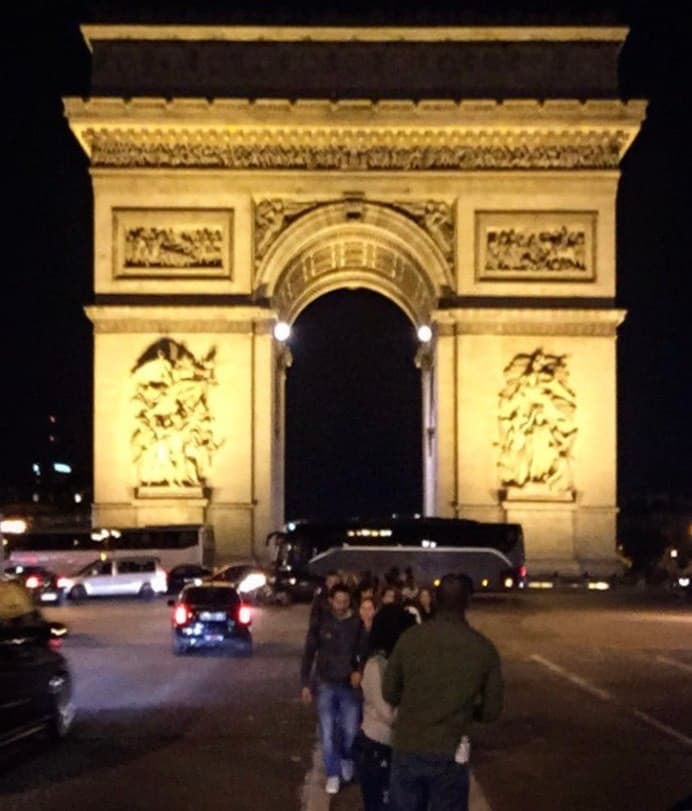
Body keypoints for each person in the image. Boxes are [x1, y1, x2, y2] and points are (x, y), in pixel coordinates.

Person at [382, 573, 503, 811]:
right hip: (450, 749)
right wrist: (466, 710)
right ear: (468, 602)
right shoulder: (483, 648)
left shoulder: (411, 638)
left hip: (408, 744)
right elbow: (491, 711)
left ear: (436, 600)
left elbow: (389, 692)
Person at [301, 582, 368, 796]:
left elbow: (363, 651)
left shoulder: (356, 623)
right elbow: (309, 652)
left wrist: (359, 670)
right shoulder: (321, 622)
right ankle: (332, 773)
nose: (341, 605)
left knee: (350, 731)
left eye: (345, 601)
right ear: (331, 601)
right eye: (338, 601)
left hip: (348, 685)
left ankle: (347, 758)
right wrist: (305, 684)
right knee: (328, 732)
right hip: (325, 683)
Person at [357, 604, 416, 811]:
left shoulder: (396, 662)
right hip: (378, 746)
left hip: (393, 746)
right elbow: (389, 714)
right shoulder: (377, 665)